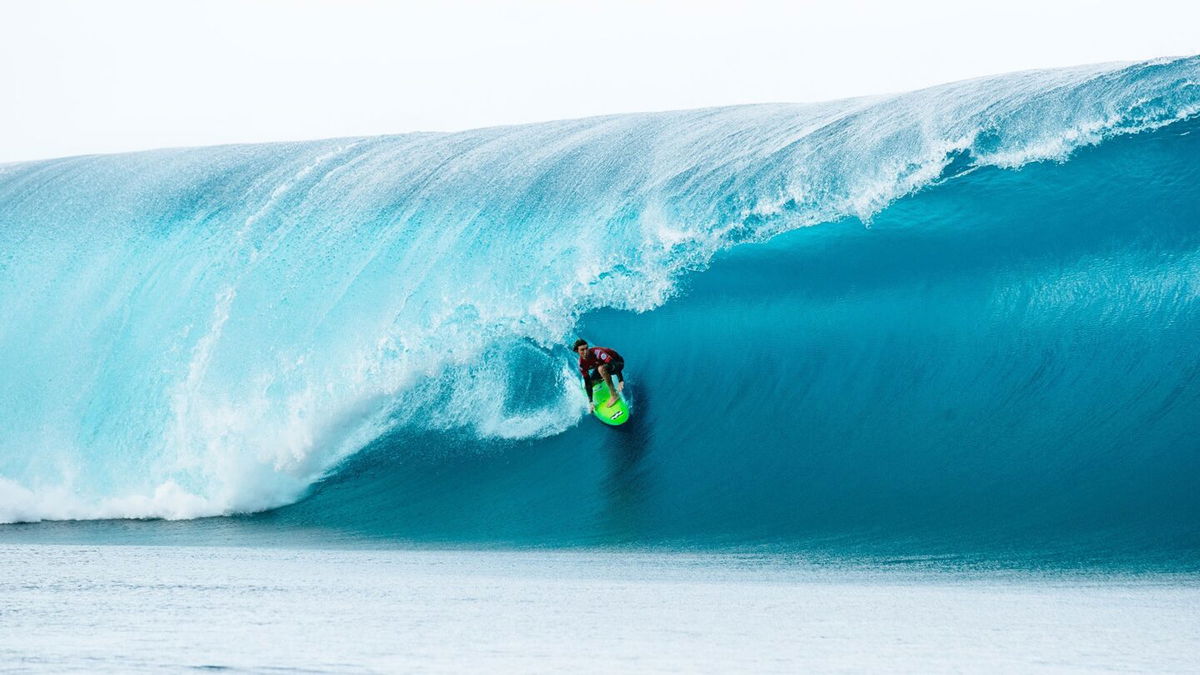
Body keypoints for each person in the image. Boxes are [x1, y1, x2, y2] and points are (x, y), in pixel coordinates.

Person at [574, 339, 625, 412]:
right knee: (588, 385)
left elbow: (614, 364)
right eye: (582, 350)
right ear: (577, 351)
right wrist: (591, 402)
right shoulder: (581, 364)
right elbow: (587, 381)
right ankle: (604, 378)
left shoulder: (598, 353)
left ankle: (614, 395)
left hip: (617, 363)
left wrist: (620, 380)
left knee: (601, 369)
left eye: (586, 348)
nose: (586, 352)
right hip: (602, 365)